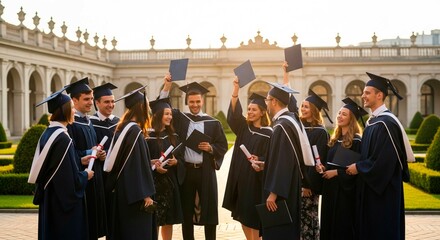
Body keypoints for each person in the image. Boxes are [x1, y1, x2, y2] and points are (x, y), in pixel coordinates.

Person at [346, 72, 413, 240]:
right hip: (371, 191)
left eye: (367, 92)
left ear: (380, 95)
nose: (363, 96)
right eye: (363, 92)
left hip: (383, 194)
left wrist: (359, 167)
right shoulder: (373, 122)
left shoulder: (386, 123)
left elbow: (385, 162)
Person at [160, 74, 228, 240]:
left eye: (198, 101)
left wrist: (211, 148)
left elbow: (223, 145)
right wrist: (167, 86)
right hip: (186, 171)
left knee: (209, 211)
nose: (195, 105)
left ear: (202, 101)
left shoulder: (213, 123)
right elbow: (162, 107)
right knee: (187, 211)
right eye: (191, 102)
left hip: (206, 172)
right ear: (187, 102)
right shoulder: (181, 119)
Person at [28, 88, 94, 239]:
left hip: (51, 199)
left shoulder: (48, 133)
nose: (73, 111)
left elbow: (57, 167)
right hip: (62, 206)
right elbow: (68, 181)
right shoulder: (63, 139)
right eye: (71, 108)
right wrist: (85, 175)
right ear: (65, 111)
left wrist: (78, 159)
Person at [222, 77, 273, 240]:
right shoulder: (244, 128)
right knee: (243, 217)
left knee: (253, 219)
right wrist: (236, 90)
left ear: (262, 112)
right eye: (249, 109)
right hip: (241, 181)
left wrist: (261, 159)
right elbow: (234, 116)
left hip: (257, 183)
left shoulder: (269, 133)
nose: (249, 112)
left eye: (253, 110)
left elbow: (271, 157)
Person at [103, 86, 156, 240]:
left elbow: (130, 162)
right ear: (141, 108)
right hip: (135, 198)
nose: (149, 111)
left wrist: (148, 161)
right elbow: (135, 168)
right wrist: (146, 195)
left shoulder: (123, 127)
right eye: (147, 106)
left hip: (123, 191)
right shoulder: (134, 132)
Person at [262, 82, 309, 240]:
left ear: (274, 101)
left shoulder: (282, 126)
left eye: (267, 100)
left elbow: (283, 162)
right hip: (290, 185)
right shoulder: (291, 120)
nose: (266, 103)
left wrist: (273, 193)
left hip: (282, 192)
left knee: (280, 232)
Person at [66, 78, 107, 239]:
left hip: (93, 178)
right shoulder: (71, 123)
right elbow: (68, 154)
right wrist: (86, 153)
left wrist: (99, 154)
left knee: (93, 226)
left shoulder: (87, 121)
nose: (91, 102)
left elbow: (92, 147)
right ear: (74, 100)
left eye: (91, 99)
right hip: (81, 180)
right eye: (86, 99)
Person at [320, 97, 367, 240]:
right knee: (329, 225)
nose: (340, 116)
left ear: (351, 118)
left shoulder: (357, 141)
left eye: (344, 114)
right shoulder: (334, 140)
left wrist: (336, 173)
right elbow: (330, 163)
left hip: (345, 194)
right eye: (339, 113)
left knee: (342, 227)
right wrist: (322, 167)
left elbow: (355, 171)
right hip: (330, 191)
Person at [147, 97, 184, 240]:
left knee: (169, 220)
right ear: (157, 115)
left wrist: (176, 162)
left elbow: (181, 158)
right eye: (166, 113)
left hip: (169, 182)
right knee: (155, 218)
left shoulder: (174, 136)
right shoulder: (147, 136)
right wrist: (153, 165)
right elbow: (142, 159)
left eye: (171, 114)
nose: (170, 117)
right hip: (153, 183)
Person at [299, 89, 331, 240]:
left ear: (314, 110)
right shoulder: (298, 128)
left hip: (309, 185)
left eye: (306, 106)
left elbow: (317, 161)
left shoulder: (320, 132)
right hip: (296, 182)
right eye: (302, 106)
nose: (303, 109)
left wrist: (307, 185)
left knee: (309, 219)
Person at [90, 82, 120, 152]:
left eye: (113, 101)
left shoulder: (119, 122)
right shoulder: (91, 123)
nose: (111, 105)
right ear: (97, 102)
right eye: (107, 102)